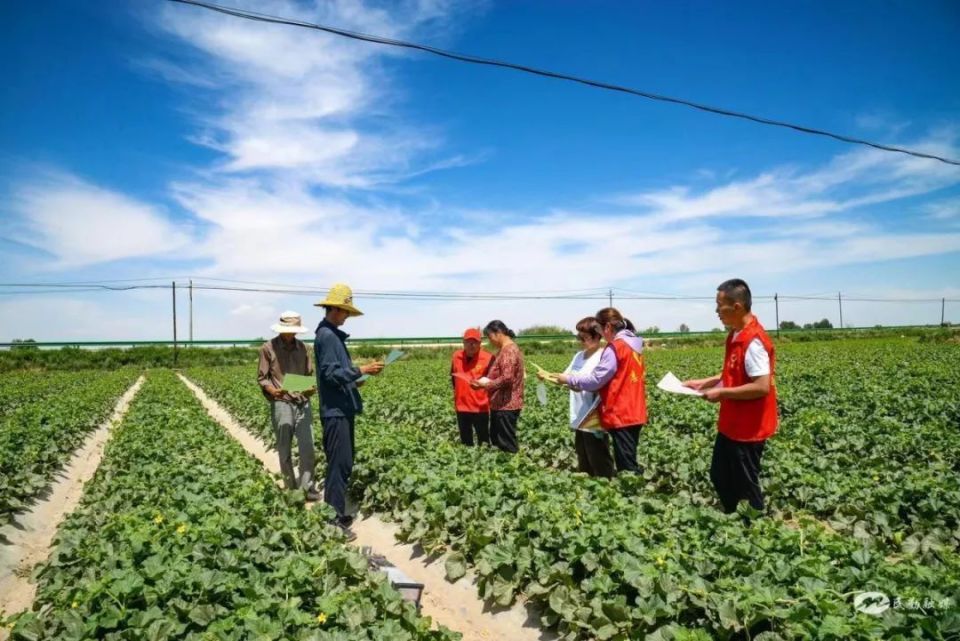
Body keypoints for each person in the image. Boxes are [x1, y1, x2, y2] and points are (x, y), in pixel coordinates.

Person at [683, 278, 778, 514]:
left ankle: (755, 528)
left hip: (749, 427)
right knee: (720, 474)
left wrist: (722, 392)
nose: (716, 311)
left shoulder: (753, 340)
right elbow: (734, 373)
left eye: (719, 305)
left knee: (745, 483)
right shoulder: (736, 334)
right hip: (731, 423)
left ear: (737, 306)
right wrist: (705, 382)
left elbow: (761, 385)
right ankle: (734, 518)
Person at [313, 284, 384, 538]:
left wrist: (355, 381)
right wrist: (361, 370)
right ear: (335, 309)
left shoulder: (330, 334)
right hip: (335, 411)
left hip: (341, 408)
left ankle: (336, 512)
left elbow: (336, 376)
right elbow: (330, 375)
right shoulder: (328, 336)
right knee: (339, 464)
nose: (346, 316)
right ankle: (332, 522)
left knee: (342, 462)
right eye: (345, 312)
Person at [557, 308, 647, 474]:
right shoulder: (635, 345)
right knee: (628, 458)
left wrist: (569, 379)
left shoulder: (616, 348)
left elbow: (596, 380)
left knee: (627, 467)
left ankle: (633, 496)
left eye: (598, 329)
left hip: (622, 412)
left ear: (606, 327)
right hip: (635, 409)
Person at [257, 311, 319, 499]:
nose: (291, 334)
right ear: (282, 329)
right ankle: (291, 489)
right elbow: (263, 378)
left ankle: (307, 488)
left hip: (302, 402)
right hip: (282, 402)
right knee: (284, 447)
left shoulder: (304, 348)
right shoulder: (268, 348)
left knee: (307, 446)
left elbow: (308, 376)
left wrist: (310, 388)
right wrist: (271, 391)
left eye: (294, 330)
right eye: (289, 330)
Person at [562, 317, 614, 478]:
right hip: (579, 413)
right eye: (580, 337)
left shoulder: (603, 356)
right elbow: (566, 376)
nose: (582, 341)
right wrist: (550, 377)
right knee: (583, 456)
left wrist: (575, 383)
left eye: (586, 337)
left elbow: (600, 384)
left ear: (598, 336)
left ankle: (606, 490)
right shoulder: (578, 356)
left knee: (598, 457)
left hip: (594, 415)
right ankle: (587, 493)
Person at [471, 320, 524, 453]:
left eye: (490, 337)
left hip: (506, 405)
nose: (490, 341)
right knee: (498, 441)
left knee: (506, 443)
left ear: (498, 333)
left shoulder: (508, 351)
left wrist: (486, 385)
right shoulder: (505, 350)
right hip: (500, 404)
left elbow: (507, 378)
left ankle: (514, 468)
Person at [450, 327, 493, 446]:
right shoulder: (456, 356)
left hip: (480, 407)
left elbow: (493, 381)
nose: (471, 344)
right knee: (465, 442)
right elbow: (454, 378)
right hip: (461, 407)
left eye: (475, 342)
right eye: (468, 341)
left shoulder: (488, 358)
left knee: (483, 441)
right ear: (463, 342)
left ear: (480, 343)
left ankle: (485, 463)